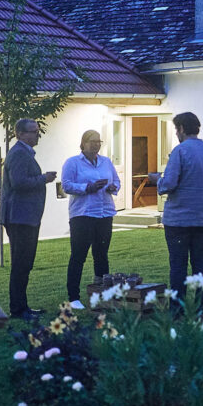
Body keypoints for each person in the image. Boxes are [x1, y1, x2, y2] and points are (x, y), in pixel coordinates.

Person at [158, 112, 203, 316]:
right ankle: (199, 308)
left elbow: (169, 183)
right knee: (200, 262)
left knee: (178, 265)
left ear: (180, 128)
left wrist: (158, 181)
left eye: (175, 129)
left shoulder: (180, 152)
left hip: (178, 219)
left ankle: (177, 309)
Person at [2, 118, 57, 320]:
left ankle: (22, 306)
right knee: (21, 263)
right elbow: (18, 183)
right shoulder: (18, 153)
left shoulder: (24, 153)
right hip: (20, 217)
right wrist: (43, 178)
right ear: (20, 134)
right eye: (33, 131)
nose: (37, 134)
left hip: (26, 217)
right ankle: (17, 309)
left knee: (25, 263)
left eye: (37, 130)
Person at [61, 130, 120, 310]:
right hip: (83, 215)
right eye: (92, 141)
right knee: (78, 255)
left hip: (104, 213)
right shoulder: (73, 163)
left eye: (98, 142)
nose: (96, 145)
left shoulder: (106, 162)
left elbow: (117, 181)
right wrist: (88, 187)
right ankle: (73, 297)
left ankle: (100, 293)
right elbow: (66, 185)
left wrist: (112, 187)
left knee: (101, 254)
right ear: (83, 143)